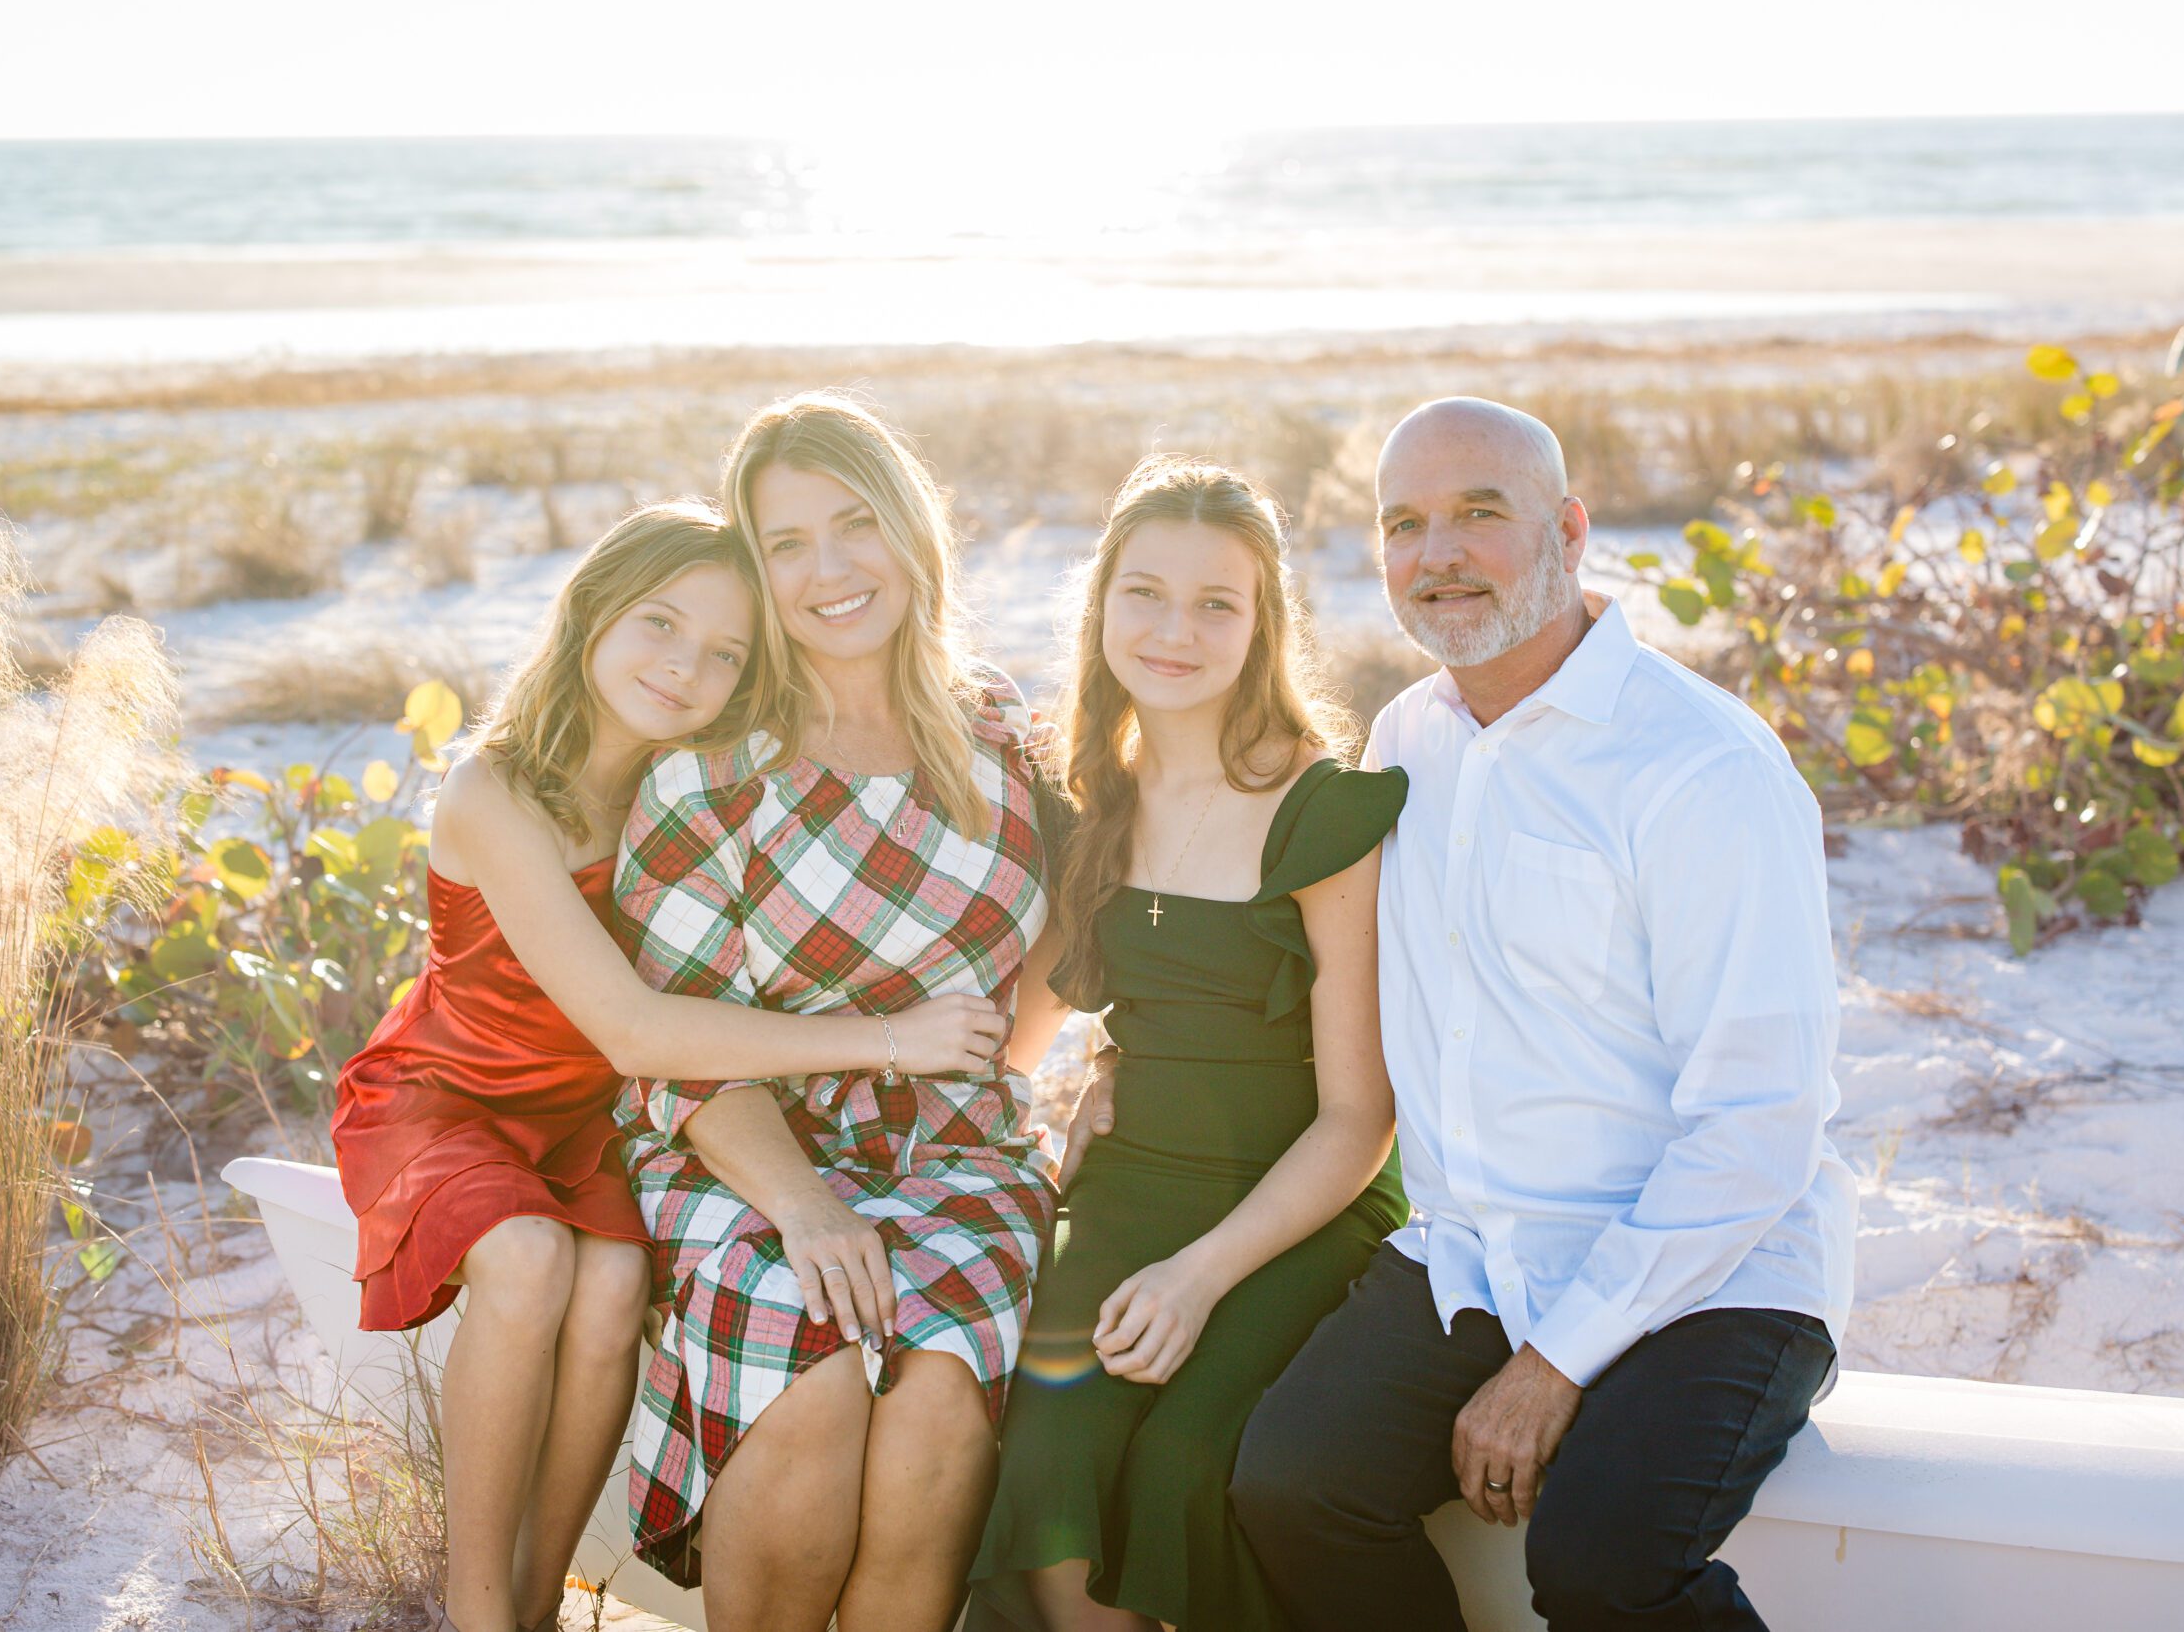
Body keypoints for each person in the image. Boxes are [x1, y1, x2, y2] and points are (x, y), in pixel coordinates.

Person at [1227, 398, 1854, 1631]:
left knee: (1600, 1563)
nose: (1437, 554)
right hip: (1479, 1253)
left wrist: (1555, 1362)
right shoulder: (1410, 741)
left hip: (1712, 1270)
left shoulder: (1700, 768)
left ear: (1568, 530)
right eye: (1403, 524)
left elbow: (1757, 1127)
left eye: (1479, 514)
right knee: (1290, 1489)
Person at [331, 503, 1006, 1632]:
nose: (683, 666)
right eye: (659, 623)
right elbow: (639, 1032)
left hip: (585, 1118)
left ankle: (543, 1597)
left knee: (608, 1292)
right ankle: (476, 1610)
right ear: (590, 611)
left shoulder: (685, 789)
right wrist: (891, 1040)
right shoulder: (495, 791)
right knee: (538, 1259)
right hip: (454, 1100)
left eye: (725, 654)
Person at [608, 395, 1058, 1632]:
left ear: (912, 530)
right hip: (745, 1147)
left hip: (961, 1150)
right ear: (755, 573)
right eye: (786, 544)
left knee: (936, 1395)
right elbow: (680, 1050)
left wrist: (1057, 1069)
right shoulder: (708, 773)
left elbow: (1071, 939)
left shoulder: (1000, 733)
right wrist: (805, 1206)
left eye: (855, 523)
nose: (830, 570)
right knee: (798, 1358)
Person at [966, 457, 1405, 1632]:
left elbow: (1362, 1118)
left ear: (1264, 627)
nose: (1175, 630)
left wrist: (1201, 1273)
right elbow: (1014, 1040)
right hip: (1127, 1189)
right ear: (1098, 605)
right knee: (1046, 1453)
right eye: (1144, 594)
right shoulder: (1087, 803)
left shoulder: (1325, 810)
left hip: (1292, 1204)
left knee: (1182, 1466)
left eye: (1218, 603)